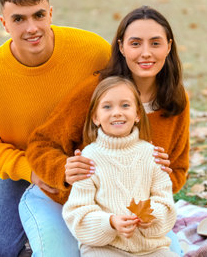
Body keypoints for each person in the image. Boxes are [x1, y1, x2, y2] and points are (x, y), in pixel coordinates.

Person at [0, 0, 111, 257]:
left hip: (93, 161)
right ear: (4, 23)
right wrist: (27, 169)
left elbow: (125, 96)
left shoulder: (94, 51)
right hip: (29, 167)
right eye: (18, 19)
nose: (31, 28)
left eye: (38, 15)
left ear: (50, 13)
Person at [22, 5, 190, 256]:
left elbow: (177, 170)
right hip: (65, 202)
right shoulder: (97, 92)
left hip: (130, 217)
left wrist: (159, 176)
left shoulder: (175, 101)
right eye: (135, 43)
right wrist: (64, 170)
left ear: (168, 46)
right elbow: (40, 144)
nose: (146, 53)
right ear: (121, 47)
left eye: (155, 43)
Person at [64, 76, 178, 256]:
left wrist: (151, 216)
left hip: (150, 248)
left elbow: (165, 202)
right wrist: (110, 222)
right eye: (107, 107)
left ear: (138, 114)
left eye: (125, 105)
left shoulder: (152, 154)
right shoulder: (89, 159)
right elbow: (79, 211)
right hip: (106, 248)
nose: (117, 112)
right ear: (95, 117)